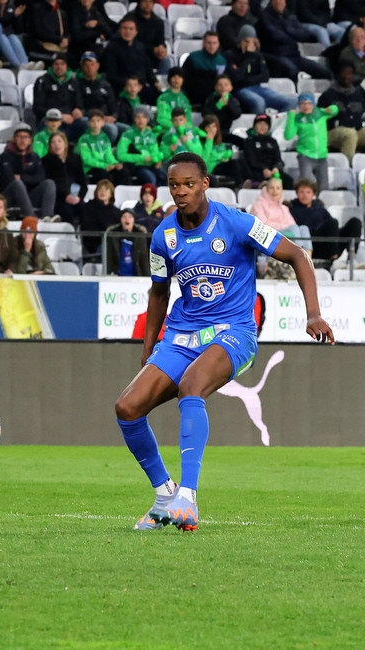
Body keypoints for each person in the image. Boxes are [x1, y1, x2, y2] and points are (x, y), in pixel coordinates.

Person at [114, 151, 333, 532]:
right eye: (174, 185)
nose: (180, 192)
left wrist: (313, 313)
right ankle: (165, 494)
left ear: (205, 185)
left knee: (191, 386)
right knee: (127, 407)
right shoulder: (163, 235)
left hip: (233, 332)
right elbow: (158, 293)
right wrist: (148, 347)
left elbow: (297, 255)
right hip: (182, 335)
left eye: (188, 184)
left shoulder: (237, 223)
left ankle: (188, 497)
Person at [225, 26, 297, 114]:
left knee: (292, 100)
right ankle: (257, 126)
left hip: (257, 88)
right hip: (239, 89)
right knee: (259, 102)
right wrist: (248, 57)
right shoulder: (229, 55)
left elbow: (265, 76)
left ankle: (277, 125)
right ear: (240, 41)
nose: (249, 45)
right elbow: (236, 78)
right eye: (246, 41)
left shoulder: (257, 56)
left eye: (252, 42)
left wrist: (246, 79)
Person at [257, 0, 333, 82]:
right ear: (271, 2)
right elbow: (275, 36)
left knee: (325, 73)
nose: (279, 2)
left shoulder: (290, 17)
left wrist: (288, 30)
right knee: (292, 70)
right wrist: (293, 36)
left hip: (294, 55)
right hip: (277, 55)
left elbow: (305, 35)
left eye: (281, 0)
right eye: (276, 0)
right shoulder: (264, 17)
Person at [290, 178, 362, 260]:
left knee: (355, 222)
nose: (305, 195)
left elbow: (332, 228)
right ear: (297, 193)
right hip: (312, 244)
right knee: (333, 223)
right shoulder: (293, 210)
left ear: (313, 194)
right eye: (301, 192)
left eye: (308, 192)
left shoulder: (320, 208)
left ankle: (351, 258)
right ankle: (334, 258)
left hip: (329, 242)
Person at [0, 124, 57, 220]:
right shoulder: (5, 156)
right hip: (9, 197)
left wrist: (22, 177)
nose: (23, 140)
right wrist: (26, 179)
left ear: (30, 140)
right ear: (14, 139)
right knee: (17, 184)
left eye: (26, 137)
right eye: (19, 137)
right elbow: (9, 178)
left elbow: (41, 177)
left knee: (49, 183)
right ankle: (32, 218)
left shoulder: (34, 157)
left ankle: (47, 217)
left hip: (29, 196)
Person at [284, 94, 339, 190]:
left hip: (321, 156)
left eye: (309, 103)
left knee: (324, 187)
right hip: (306, 155)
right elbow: (288, 136)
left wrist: (332, 108)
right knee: (306, 184)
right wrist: (291, 117)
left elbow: (335, 110)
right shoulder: (298, 119)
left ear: (313, 104)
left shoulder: (321, 113)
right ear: (299, 105)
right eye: (303, 103)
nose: (306, 106)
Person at [102, 18, 159, 104]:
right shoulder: (112, 48)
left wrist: (154, 81)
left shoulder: (140, 46)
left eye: (131, 29)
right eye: (124, 28)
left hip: (140, 87)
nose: (127, 32)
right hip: (122, 88)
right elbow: (110, 74)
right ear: (119, 30)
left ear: (136, 32)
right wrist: (129, 84)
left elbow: (148, 68)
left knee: (158, 97)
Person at [320, 62, 365, 164]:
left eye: (350, 73)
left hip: (356, 129)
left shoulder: (358, 95)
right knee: (350, 134)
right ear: (337, 75)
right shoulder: (328, 95)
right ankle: (348, 168)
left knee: (354, 133)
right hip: (331, 132)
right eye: (344, 73)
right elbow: (321, 118)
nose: (347, 76)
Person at [32, 55, 84, 141]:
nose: (59, 67)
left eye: (62, 64)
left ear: (66, 66)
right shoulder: (42, 81)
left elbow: (80, 104)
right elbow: (37, 108)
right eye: (56, 64)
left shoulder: (73, 81)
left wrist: (79, 111)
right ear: (52, 66)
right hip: (49, 119)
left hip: (70, 119)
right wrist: (59, 116)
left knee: (87, 124)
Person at [42, 131, 87, 225]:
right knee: (67, 211)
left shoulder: (75, 159)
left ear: (65, 144)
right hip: (58, 200)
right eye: (53, 142)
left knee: (85, 209)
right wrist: (65, 197)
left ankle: (86, 238)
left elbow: (82, 182)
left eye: (59, 141)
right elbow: (48, 184)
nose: (56, 145)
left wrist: (79, 197)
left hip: (76, 198)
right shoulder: (45, 161)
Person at [76, 52, 121, 143]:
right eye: (86, 65)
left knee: (126, 130)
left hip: (105, 119)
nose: (89, 68)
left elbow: (114, 107)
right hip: (88, 119)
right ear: (82, 67)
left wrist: (113, 117)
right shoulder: (77, 83)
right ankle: (101, 149)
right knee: (112, 130)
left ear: (97, 65)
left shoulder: (105, 84)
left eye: (92, 65)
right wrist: (99, 118)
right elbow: (79, 106)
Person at [78, 110, 131, 185]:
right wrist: (104, 166)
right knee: (104, 175)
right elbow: (87, 159)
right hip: (91, 168)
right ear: (88, 123)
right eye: (92, 121)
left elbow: (108, 155)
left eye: (98, 121)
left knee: (123, 172)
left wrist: (115, 163)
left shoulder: (105, 137)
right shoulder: (84, 139)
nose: (95, 124)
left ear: (103, 123)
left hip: (106, 166)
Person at [117, 105, 165, 186]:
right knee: (151, 178)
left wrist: (157, 160)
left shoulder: (151, 135)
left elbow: (155, 151)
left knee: (167, 177)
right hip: (136, 166)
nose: (141, 120)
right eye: (138, 117)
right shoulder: (128, 134)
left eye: (143, 117)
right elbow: (120, 155)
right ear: (134, 119)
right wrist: (142, 158)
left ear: (147, 119)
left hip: (151, 165)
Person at [243, 114, 293, 188]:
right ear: (254, 126)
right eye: (259, 124)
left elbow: (278, 158)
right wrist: (264, 169)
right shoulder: (249, 141)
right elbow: (251, 160)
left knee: (288, 180)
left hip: (272, 170)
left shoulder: (272, 141)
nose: (262, 127)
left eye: (265, 124)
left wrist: (276, 168)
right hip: (256, 171)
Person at [199, 115, 246, 189]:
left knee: (241, 161)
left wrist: (226, 157)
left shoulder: (220, 143)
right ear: (204, 128)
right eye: (209, 127)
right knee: (234, 164)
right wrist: (209, 140)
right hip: (211, 169)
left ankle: (252, 183)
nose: (211, 130)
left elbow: (226, 154)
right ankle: (240, 187)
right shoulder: (200, 143)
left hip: (220, 166)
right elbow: (204, 161)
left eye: (214, 127)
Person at [252, 176, 303, 242]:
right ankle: (299, 251)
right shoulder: (259, 205)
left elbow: (292, 224)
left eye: (278, 188)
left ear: (281, 191)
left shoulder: (284, 208)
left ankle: (307, 252)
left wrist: (283, 226)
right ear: (266, 189)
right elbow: (262, 225)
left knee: (303, 228)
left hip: (283, 233)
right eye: (271, 188)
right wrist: (283, 225)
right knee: (294, 230)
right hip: (267, 236)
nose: (275, 191)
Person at [183, 32, 228, 107]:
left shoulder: (222, 60)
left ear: (218, 44)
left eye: (214, 43)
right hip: (195, 96)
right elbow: (185, 79)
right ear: (204, 43)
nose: (212, 46)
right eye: (209, 43)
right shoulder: (193, 58)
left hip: (215, 98)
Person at [127, 0, 171, 75]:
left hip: (153, 55)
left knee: (165, 61)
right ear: (139, 3)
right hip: (134, 53)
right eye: (144, 1)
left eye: (150, 2)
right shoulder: (130, 19)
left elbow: (161, 40)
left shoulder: (158, 22)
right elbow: (131, 41)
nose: (148, 4)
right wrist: (152, 49)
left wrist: (161, 48)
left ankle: (161, 85)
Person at [81, 179, 122, 254]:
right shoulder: (89, 207)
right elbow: (89, 228)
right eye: (100, 189)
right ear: (96, 192)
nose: (103, 192)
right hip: (95, 244)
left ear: (111, 194)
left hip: (113, 243)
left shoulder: (116, 212)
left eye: (106, 189)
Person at [105, 209, 150, 276]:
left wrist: (147, 277)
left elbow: (143, 259)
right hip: (117, 275)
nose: (127, 219)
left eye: (130, 217)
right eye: (124, 217)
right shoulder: (113, 236)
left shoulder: (140, 236)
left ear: (134, 220)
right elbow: (109, 258)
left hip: (136, 275)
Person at [202, 75, 243, 147]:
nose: (223, 87)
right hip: (211, 132)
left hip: (225, 132)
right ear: (215, 87)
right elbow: (205, 114)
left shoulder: (233, 100)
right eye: (220, 85)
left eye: (226, 85)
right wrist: (218, 105)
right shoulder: (211, 99)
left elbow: (236, 114)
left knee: (244, 143)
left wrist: (228, 105)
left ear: (231, 87)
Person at [155, 67, 191, 134]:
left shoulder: (185, 99)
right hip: (168, 132)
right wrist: (176, 128)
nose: (177, 80)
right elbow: (161, 119)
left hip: (184, 132)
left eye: (179, 77)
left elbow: (189, 121)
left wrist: (184, 129)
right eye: (174, 77)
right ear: (169, 79)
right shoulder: (163, 98)